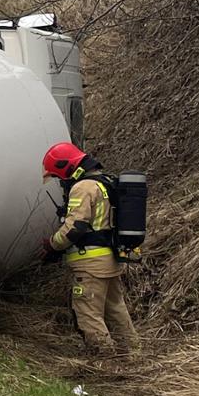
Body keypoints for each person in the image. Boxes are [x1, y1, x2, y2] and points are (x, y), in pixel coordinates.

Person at [40, 142, 139, 355]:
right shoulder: (104, 182)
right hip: (110, 260)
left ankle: (105, 360)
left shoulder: (82, 187)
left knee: (88, 314)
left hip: (90, 265)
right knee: (116, 311)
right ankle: (133, 355)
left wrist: (52, 244)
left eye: (58, 176)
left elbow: (74, 227)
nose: (60, 181)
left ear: (66, 167)